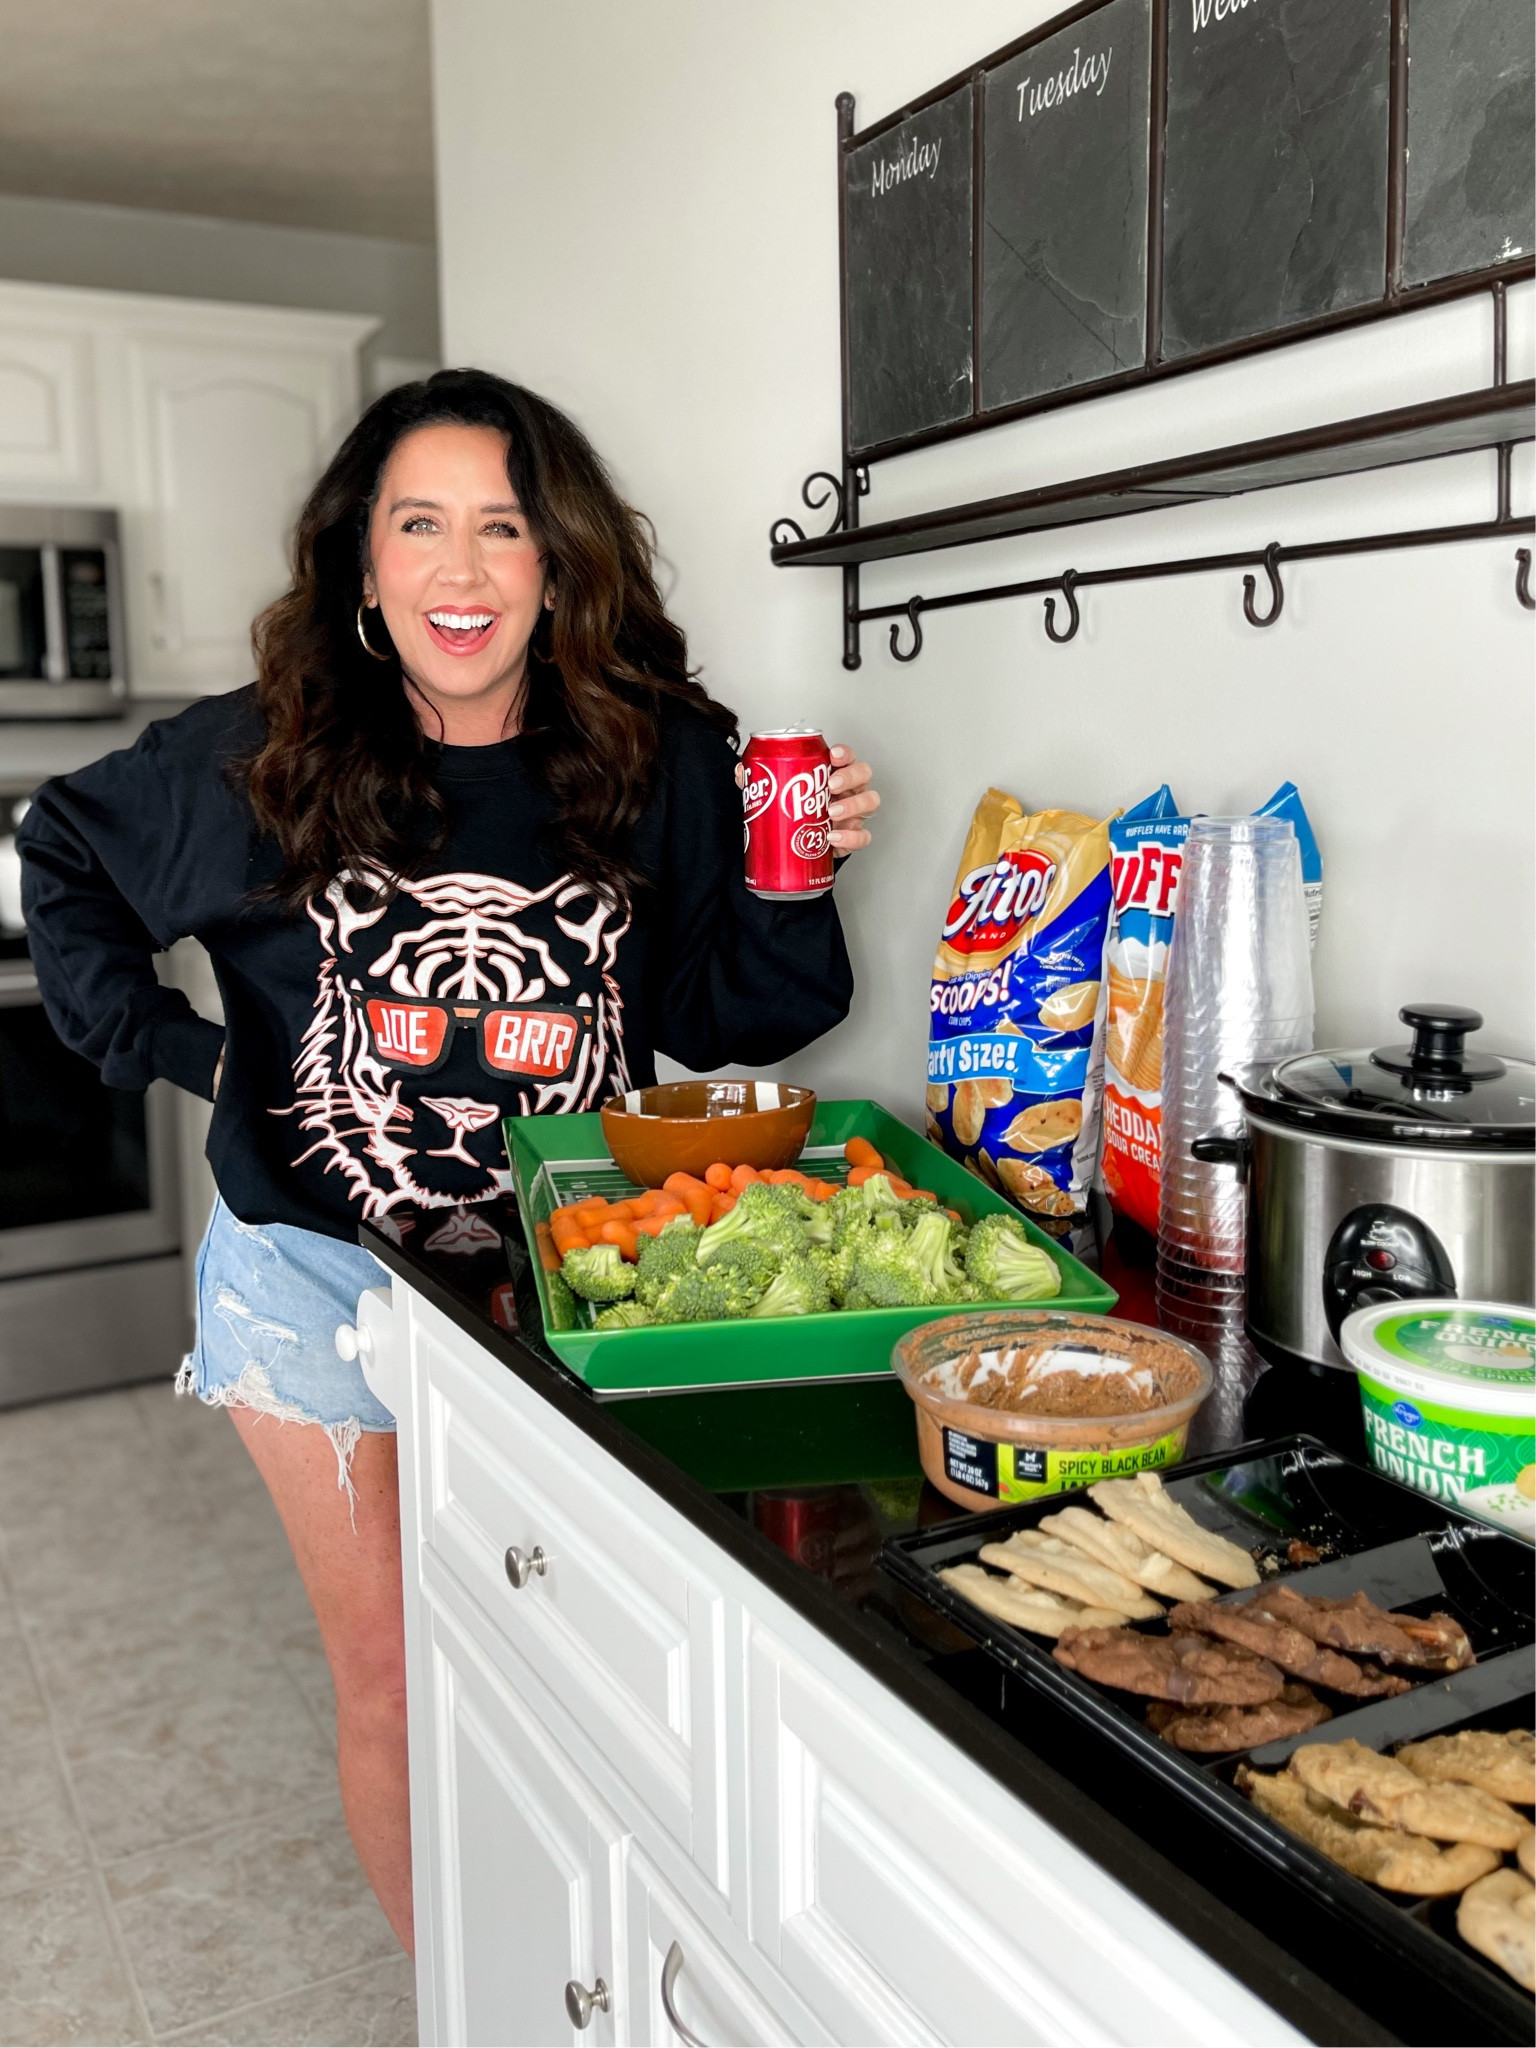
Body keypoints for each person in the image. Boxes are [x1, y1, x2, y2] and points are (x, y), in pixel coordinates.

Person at [18, 369, 879, 1952]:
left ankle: (582, 1958)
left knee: (574, 1665)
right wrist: (190, 1054)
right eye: (420, 525)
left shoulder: (657, 753)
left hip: (579, 1282)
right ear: (363, 561)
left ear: (559, 561)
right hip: (314, 1278)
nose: (461, 569)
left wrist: (794, 874)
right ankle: (464, 1998)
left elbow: (735, 1019)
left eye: (504, 526)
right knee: (394, 1675)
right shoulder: (260, 757)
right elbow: (59, 845)